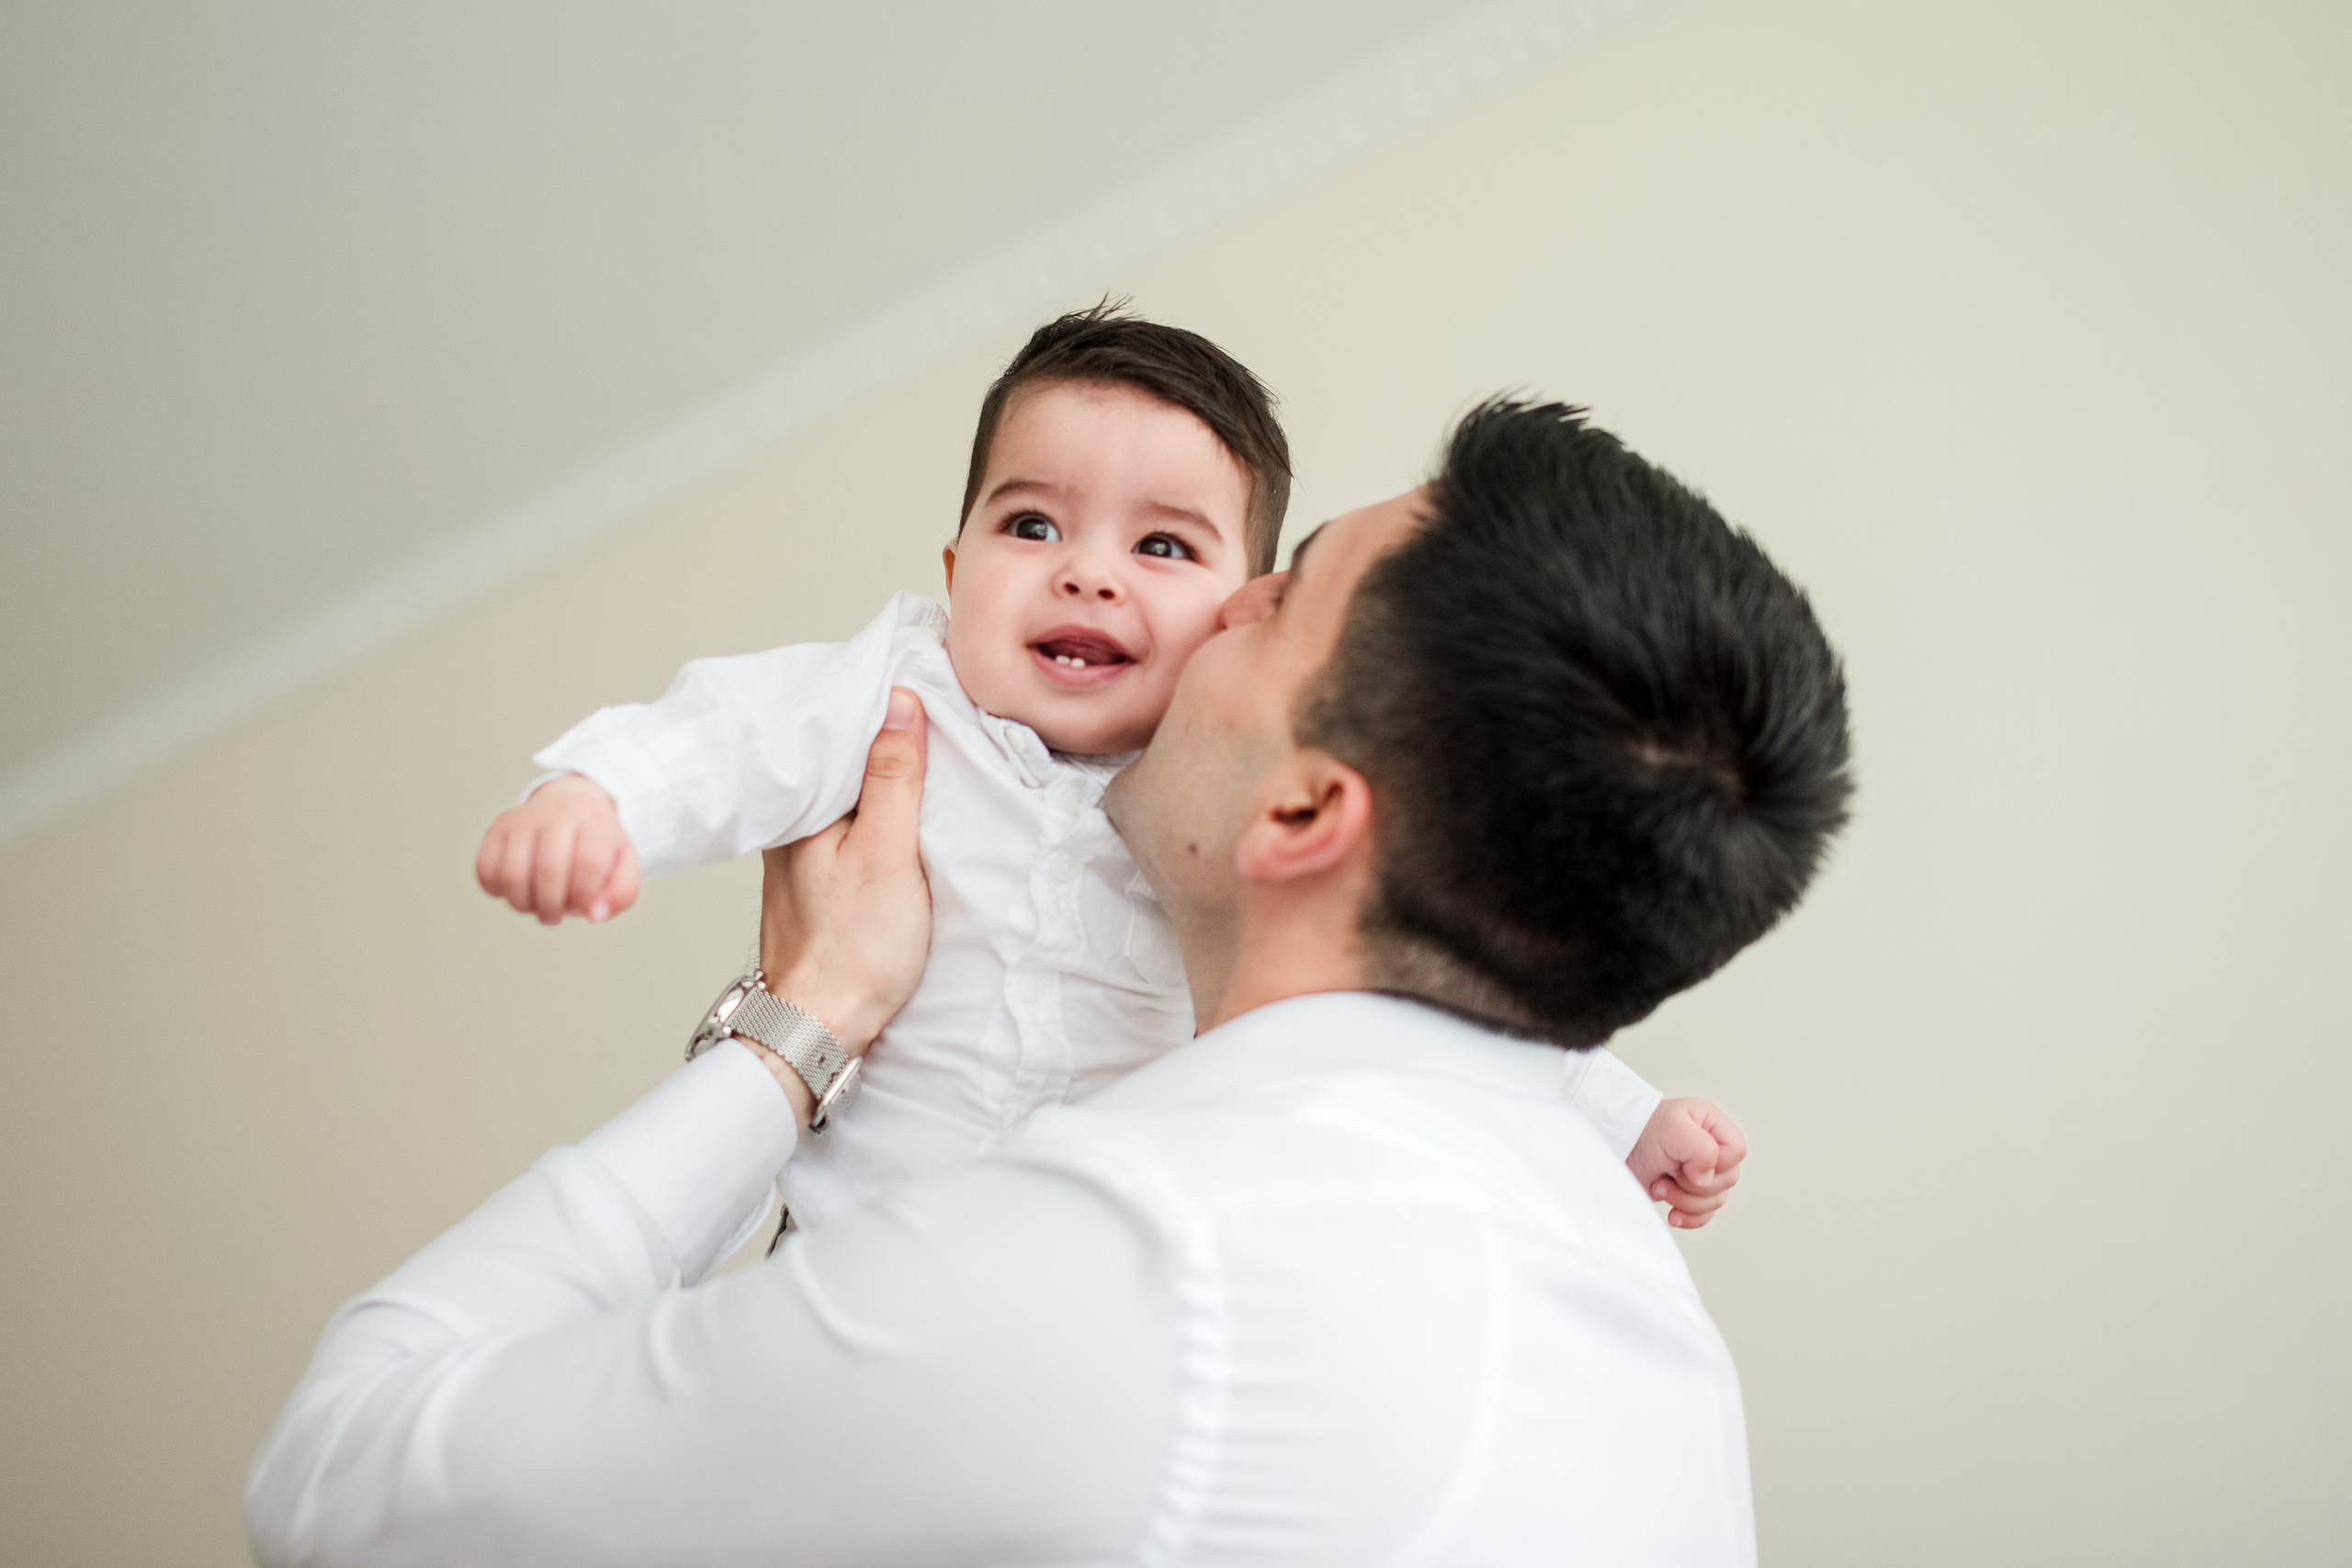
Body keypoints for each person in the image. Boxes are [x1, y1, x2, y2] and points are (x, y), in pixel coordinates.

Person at [248, 400, 1850, 1565]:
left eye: (1275, 598)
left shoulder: (1149, 1257)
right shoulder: (1655, 1347)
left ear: (1303, 814)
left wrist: (800, 1032)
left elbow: (343, 1483)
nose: (1210, 601)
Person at [472, 306, 1733, 1235]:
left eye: (1165, 546)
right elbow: (728, 731)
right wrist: (598, 801)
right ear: (958, 570)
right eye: (1031, 524)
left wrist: (1624, 1120)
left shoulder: (1260, 797)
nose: (1088, 571)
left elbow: (1428, 980)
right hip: (854, 1242)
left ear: (1246, 611)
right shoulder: (898, 687)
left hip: (1092, 1260)